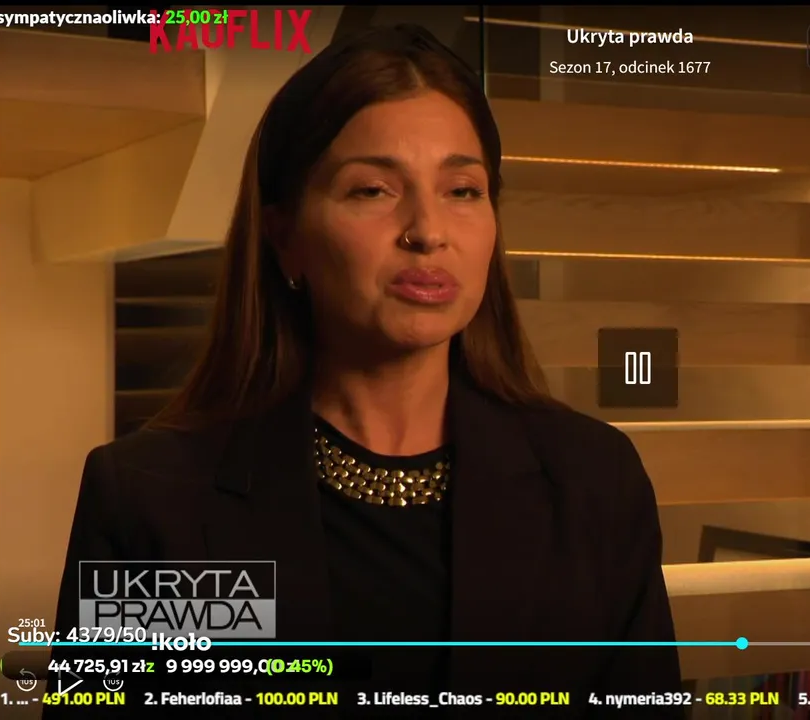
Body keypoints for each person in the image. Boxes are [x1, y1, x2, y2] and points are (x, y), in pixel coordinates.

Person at [51, 24, 681, 717]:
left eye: (463, 190)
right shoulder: (151, 502)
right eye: (373, 190)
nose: (427, 231)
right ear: (285, 236)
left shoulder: (593, 483)